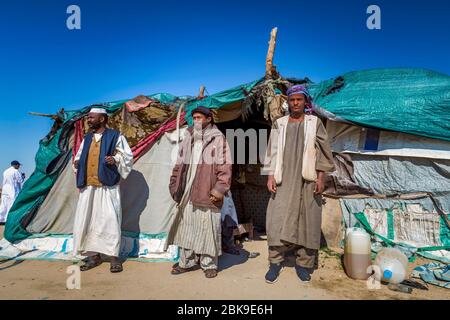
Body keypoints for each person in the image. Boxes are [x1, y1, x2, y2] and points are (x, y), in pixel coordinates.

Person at [263, 85, 335, 283]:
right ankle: (275, 262)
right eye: (292, 100)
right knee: (277, 218)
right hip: (283, 179)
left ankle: (304, 264)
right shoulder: (280, 123)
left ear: (305, 102)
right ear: (288, 102)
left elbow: (323, 151)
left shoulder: (315, 123)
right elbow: (272, 150)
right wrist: (270, 176)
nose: (295, 103)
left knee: (308, 220)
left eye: (299, 100)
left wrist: (321, 178)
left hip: (308, 179)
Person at [167, 106, 232, 278]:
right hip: (187, 189)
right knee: (186, 226)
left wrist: (219, 189)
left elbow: (225, 167)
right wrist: (174, 184)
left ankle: (208, 264)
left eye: (199, 118)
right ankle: (186, 262)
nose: (196, 121)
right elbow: (179, 164)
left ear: (209, 119)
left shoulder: (218, 139)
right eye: (194, 118)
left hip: (206, 189)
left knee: (207, 227)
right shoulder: (188, 137)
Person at [72, 108, 133, 273]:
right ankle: (93, 256)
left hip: (107, 187)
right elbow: (78, 156)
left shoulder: (116, 136)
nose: (89, 120)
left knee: (110, 221)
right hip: (89, 187)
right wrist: (77, 163)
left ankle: (114, 257)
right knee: (88, 220)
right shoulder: (87, 138)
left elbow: (127, 157)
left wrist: (115, 159)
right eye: (88, 117)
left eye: (92, 117)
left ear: (102, 118)